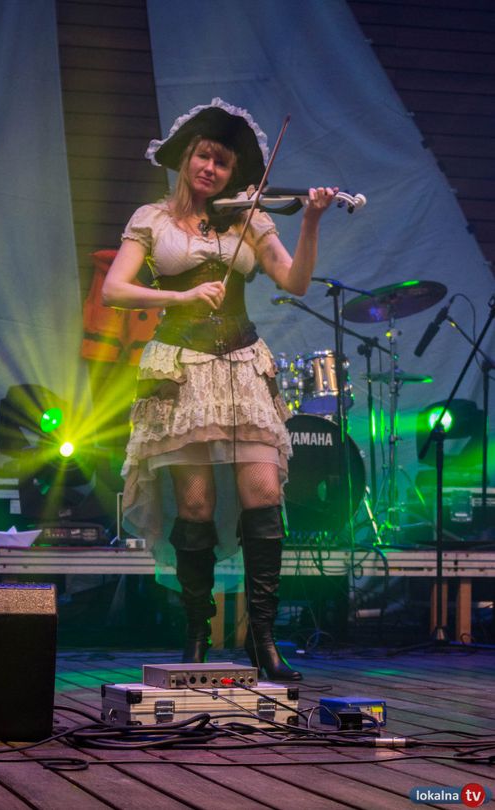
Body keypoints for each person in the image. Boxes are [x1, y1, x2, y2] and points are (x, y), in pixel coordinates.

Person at [102, 98, 336, 681]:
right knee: (196, 505)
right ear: (186, 159)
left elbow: (295, 280)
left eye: (224, 163)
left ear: (234, 173)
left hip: (242, 366)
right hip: (182, 368)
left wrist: (310, 220)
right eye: (204, 156)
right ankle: (197, 636)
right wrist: (179, 296)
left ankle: (263, 639)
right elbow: (114, 290)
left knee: (264, 493)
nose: (211, 168)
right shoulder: (152, 219)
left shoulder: (248, 218)